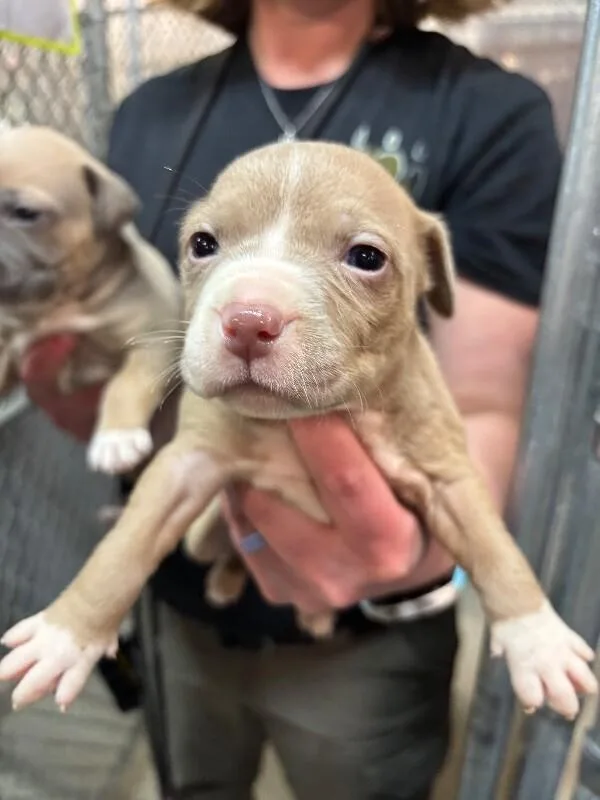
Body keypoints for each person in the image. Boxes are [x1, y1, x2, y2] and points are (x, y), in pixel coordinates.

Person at [21, 0, 562, 797]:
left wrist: (433, 572)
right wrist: (92, 412)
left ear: (424, 270)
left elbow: (473, 418)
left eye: (364, 257)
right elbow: (157, 401)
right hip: (175, 607)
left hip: (371, 641)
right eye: (205, 243)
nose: (251, 314)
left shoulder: (485, 107)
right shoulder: (147, 112)